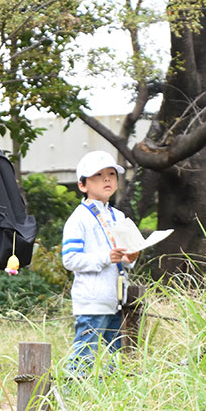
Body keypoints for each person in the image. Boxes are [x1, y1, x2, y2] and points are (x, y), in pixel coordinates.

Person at [61, 150, 139, 371]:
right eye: (98, 175)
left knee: (119, 356)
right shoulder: (78, 218)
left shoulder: (118, 216)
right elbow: (70, 259)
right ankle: (70, 395)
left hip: (116, 299)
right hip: (92, 300)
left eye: (112, 174)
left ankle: (109, 398)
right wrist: (106, 257)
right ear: (82, 185)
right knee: (84, 353)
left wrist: (129, 258)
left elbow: (123, 257)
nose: (107, 179)